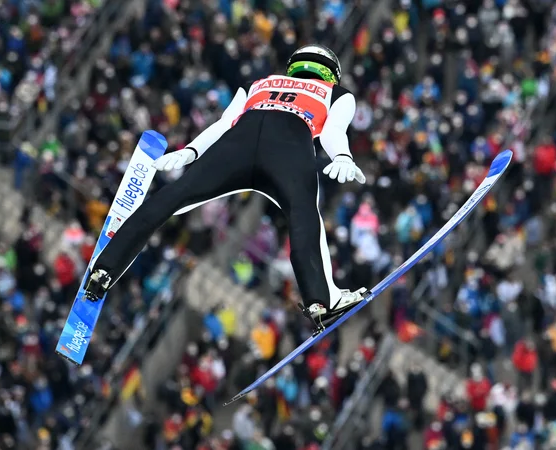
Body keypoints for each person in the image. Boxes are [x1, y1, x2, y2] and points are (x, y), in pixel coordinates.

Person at [84, 45, 368, 328]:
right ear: (332, 72)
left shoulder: (259, 82)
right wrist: (342, 156)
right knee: (304, 217)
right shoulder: (338, 94)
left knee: (171, 198)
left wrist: (191, 151)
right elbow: (333, 132)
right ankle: (320, 300)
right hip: (288, 145)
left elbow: (224, 123)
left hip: (237, 144)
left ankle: (104, 270)